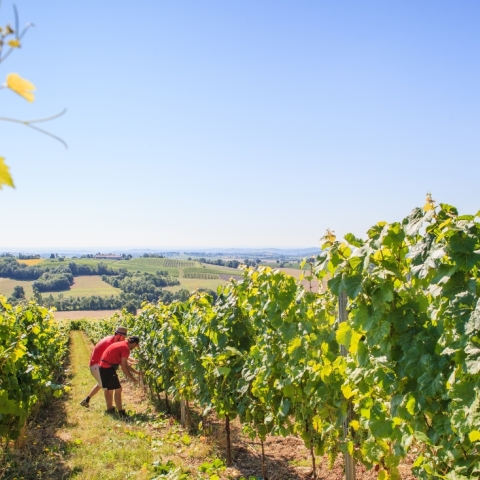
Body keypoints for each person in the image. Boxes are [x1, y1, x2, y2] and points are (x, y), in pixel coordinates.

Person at [80, 326, 128, 408]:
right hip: (97, 366)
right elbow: (115, 357)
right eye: (124, 337)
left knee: (101, 384)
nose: (124, 340)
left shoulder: (112, 340)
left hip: (96, 365)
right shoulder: (109, 343)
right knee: (109, 387)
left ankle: (86, 400)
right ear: (119, 336)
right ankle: (109, 409)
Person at [98, 335, 143, 418]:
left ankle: (110, 410)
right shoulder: (126, 349)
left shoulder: (122, 344)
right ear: (134, 343)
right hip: (107, 368)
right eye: (136, 346)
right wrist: (133, 379)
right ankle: (121, 413)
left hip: (103, 366)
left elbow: (124, 364)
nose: (135, 347)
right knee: (118, 389)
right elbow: (124, 367)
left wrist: (136, 372)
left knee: (109, 389)